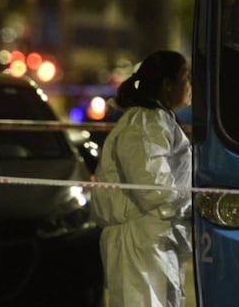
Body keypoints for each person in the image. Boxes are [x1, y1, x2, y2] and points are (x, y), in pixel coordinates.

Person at [91, 50, 193, 307]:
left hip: (154, 239)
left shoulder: (159, 119)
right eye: (186, 77)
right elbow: (152, 187)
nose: (190, 86)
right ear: (167, 85)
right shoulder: (144, 122)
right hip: (139, 243)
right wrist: (195, 204)